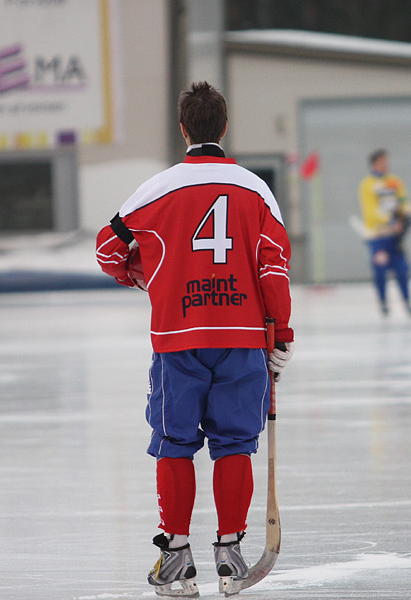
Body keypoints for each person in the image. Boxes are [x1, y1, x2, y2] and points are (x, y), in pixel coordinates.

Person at [95, 81, 294, 598]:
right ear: (223, 128)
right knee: (234, 444)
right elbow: (274, 266)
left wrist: (148, 276)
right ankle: (230, 555)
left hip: (177, 339)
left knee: (174, 445)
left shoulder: (156, 189)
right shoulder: (257, 189)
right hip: (243, 339)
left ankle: (176, 559)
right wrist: (282, 333)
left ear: (183, 129)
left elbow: (107, 250)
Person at [358, 149, 411, 317]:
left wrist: (407, 214)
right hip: (377, 236)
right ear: (374, 163)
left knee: (402, 269)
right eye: (383, 161)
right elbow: (370, 211)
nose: (386, 164)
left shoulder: (394, 181)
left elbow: (403, 200)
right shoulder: (367, 184)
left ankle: (407, 302)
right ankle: (383, 303)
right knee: (380, 270)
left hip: (395, 236)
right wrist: (390, 221)